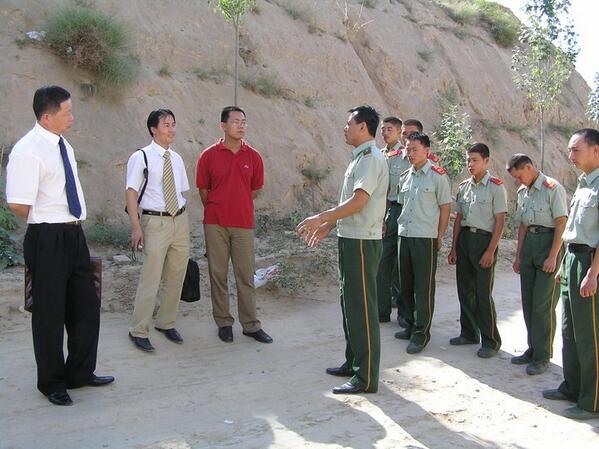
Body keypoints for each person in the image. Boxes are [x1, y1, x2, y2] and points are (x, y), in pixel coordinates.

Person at [5, 85, 113, 406]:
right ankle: (51, 382)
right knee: (49, 314)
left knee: (86, 306)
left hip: (73, 235)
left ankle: (79, 373)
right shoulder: (28, 150)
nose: (72, 117)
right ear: (46, 116)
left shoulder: (61, 143)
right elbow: (18, 205)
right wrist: (46, 219)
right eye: (66, 112)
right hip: (46, 237)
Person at [296, 105, 388, 394]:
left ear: (364, 127)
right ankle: (354, 363)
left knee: (362, 308)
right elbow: (354, 206)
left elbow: (360, 202)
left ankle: (366, 377)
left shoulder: (371, 159)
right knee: (350, 305)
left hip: (362, 243)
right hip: (351, 238)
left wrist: (321, 217)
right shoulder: (359, 159)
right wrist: (331, 226)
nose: (344, 128)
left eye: (349, 123)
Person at [196, 106, 272, 344]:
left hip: (243, 224)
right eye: (236, 121)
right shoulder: (208, 155)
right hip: (215, 224)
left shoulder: (254, 156)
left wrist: (237, 203)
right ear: (223, 126)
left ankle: (250, 325)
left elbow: (255, 190)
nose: (241, 125)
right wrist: (219, 207)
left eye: (244, 122)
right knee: (217, 274)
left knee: (245, 276)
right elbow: (203, 190)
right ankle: (224, 322)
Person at [543, 129, 599, 420]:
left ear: (596, 151)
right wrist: (564, 263)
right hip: (573, 260)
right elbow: (573, 230)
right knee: (569, 331)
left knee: (589, 336)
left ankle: (591, 401)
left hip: (591, 263)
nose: (570, 155)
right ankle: (572, 387)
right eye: (569, 150)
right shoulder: (584, 184)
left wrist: (593, 273)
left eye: (576, 150)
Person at [126, 109, 191, 352]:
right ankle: (138, 329)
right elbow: (131, 193)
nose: (172, 129)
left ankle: (166, 322)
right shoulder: (141, 157)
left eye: (174, 124)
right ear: (153, 129)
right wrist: (136, 227)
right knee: (151, 277)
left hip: (179, 221)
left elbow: (181, 191)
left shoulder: (176, 158)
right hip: (154, 223)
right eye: (166, 125)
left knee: (176, 275)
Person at [507, 154, 567, 374]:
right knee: (528, 303)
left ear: (529, 167)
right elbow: (523, 226)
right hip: (530, 246)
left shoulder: (552, 188)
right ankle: (533, 349)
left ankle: (543, 356)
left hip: (548, 244)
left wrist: (553, 256)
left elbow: (561, 222)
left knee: (542, 305)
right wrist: (518, 255)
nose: (518, 181)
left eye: (520, 175)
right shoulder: (524, 192)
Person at [447, 143, 507, 358]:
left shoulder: (495, 186)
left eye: (475, 160)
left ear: (486, 161)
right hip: (465, 240)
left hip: (484, 242)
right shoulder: (464, 186)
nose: (470, 164)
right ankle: (469, 332)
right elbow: (459, 219)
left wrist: (491, 251)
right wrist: (453, 246)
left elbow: (500, 222)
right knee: (464, 290)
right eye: (468, 160)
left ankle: (490, 340)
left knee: (482, 294)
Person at [394, 132, 452, 354]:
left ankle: (421, 333)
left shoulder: (437, 176)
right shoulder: (405, 176)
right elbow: (401, 205)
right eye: (407, 149)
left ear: (427, 150)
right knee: (405, 284)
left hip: (424, 238)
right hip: (405, 235)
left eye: (414, 149)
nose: (410, 153)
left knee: (423, 287)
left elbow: (445, 207)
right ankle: (409, 325)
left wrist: (439, 236)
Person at [376, 116, 409, 323]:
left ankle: (403, 310)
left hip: (407, 211)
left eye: (390, 129)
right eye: (383, 129)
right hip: (389, 211)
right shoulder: (382, 155)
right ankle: (381, 310)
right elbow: (383, 191)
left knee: (402, 264)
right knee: (383, 261)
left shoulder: (408, 156)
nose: (385, 132)